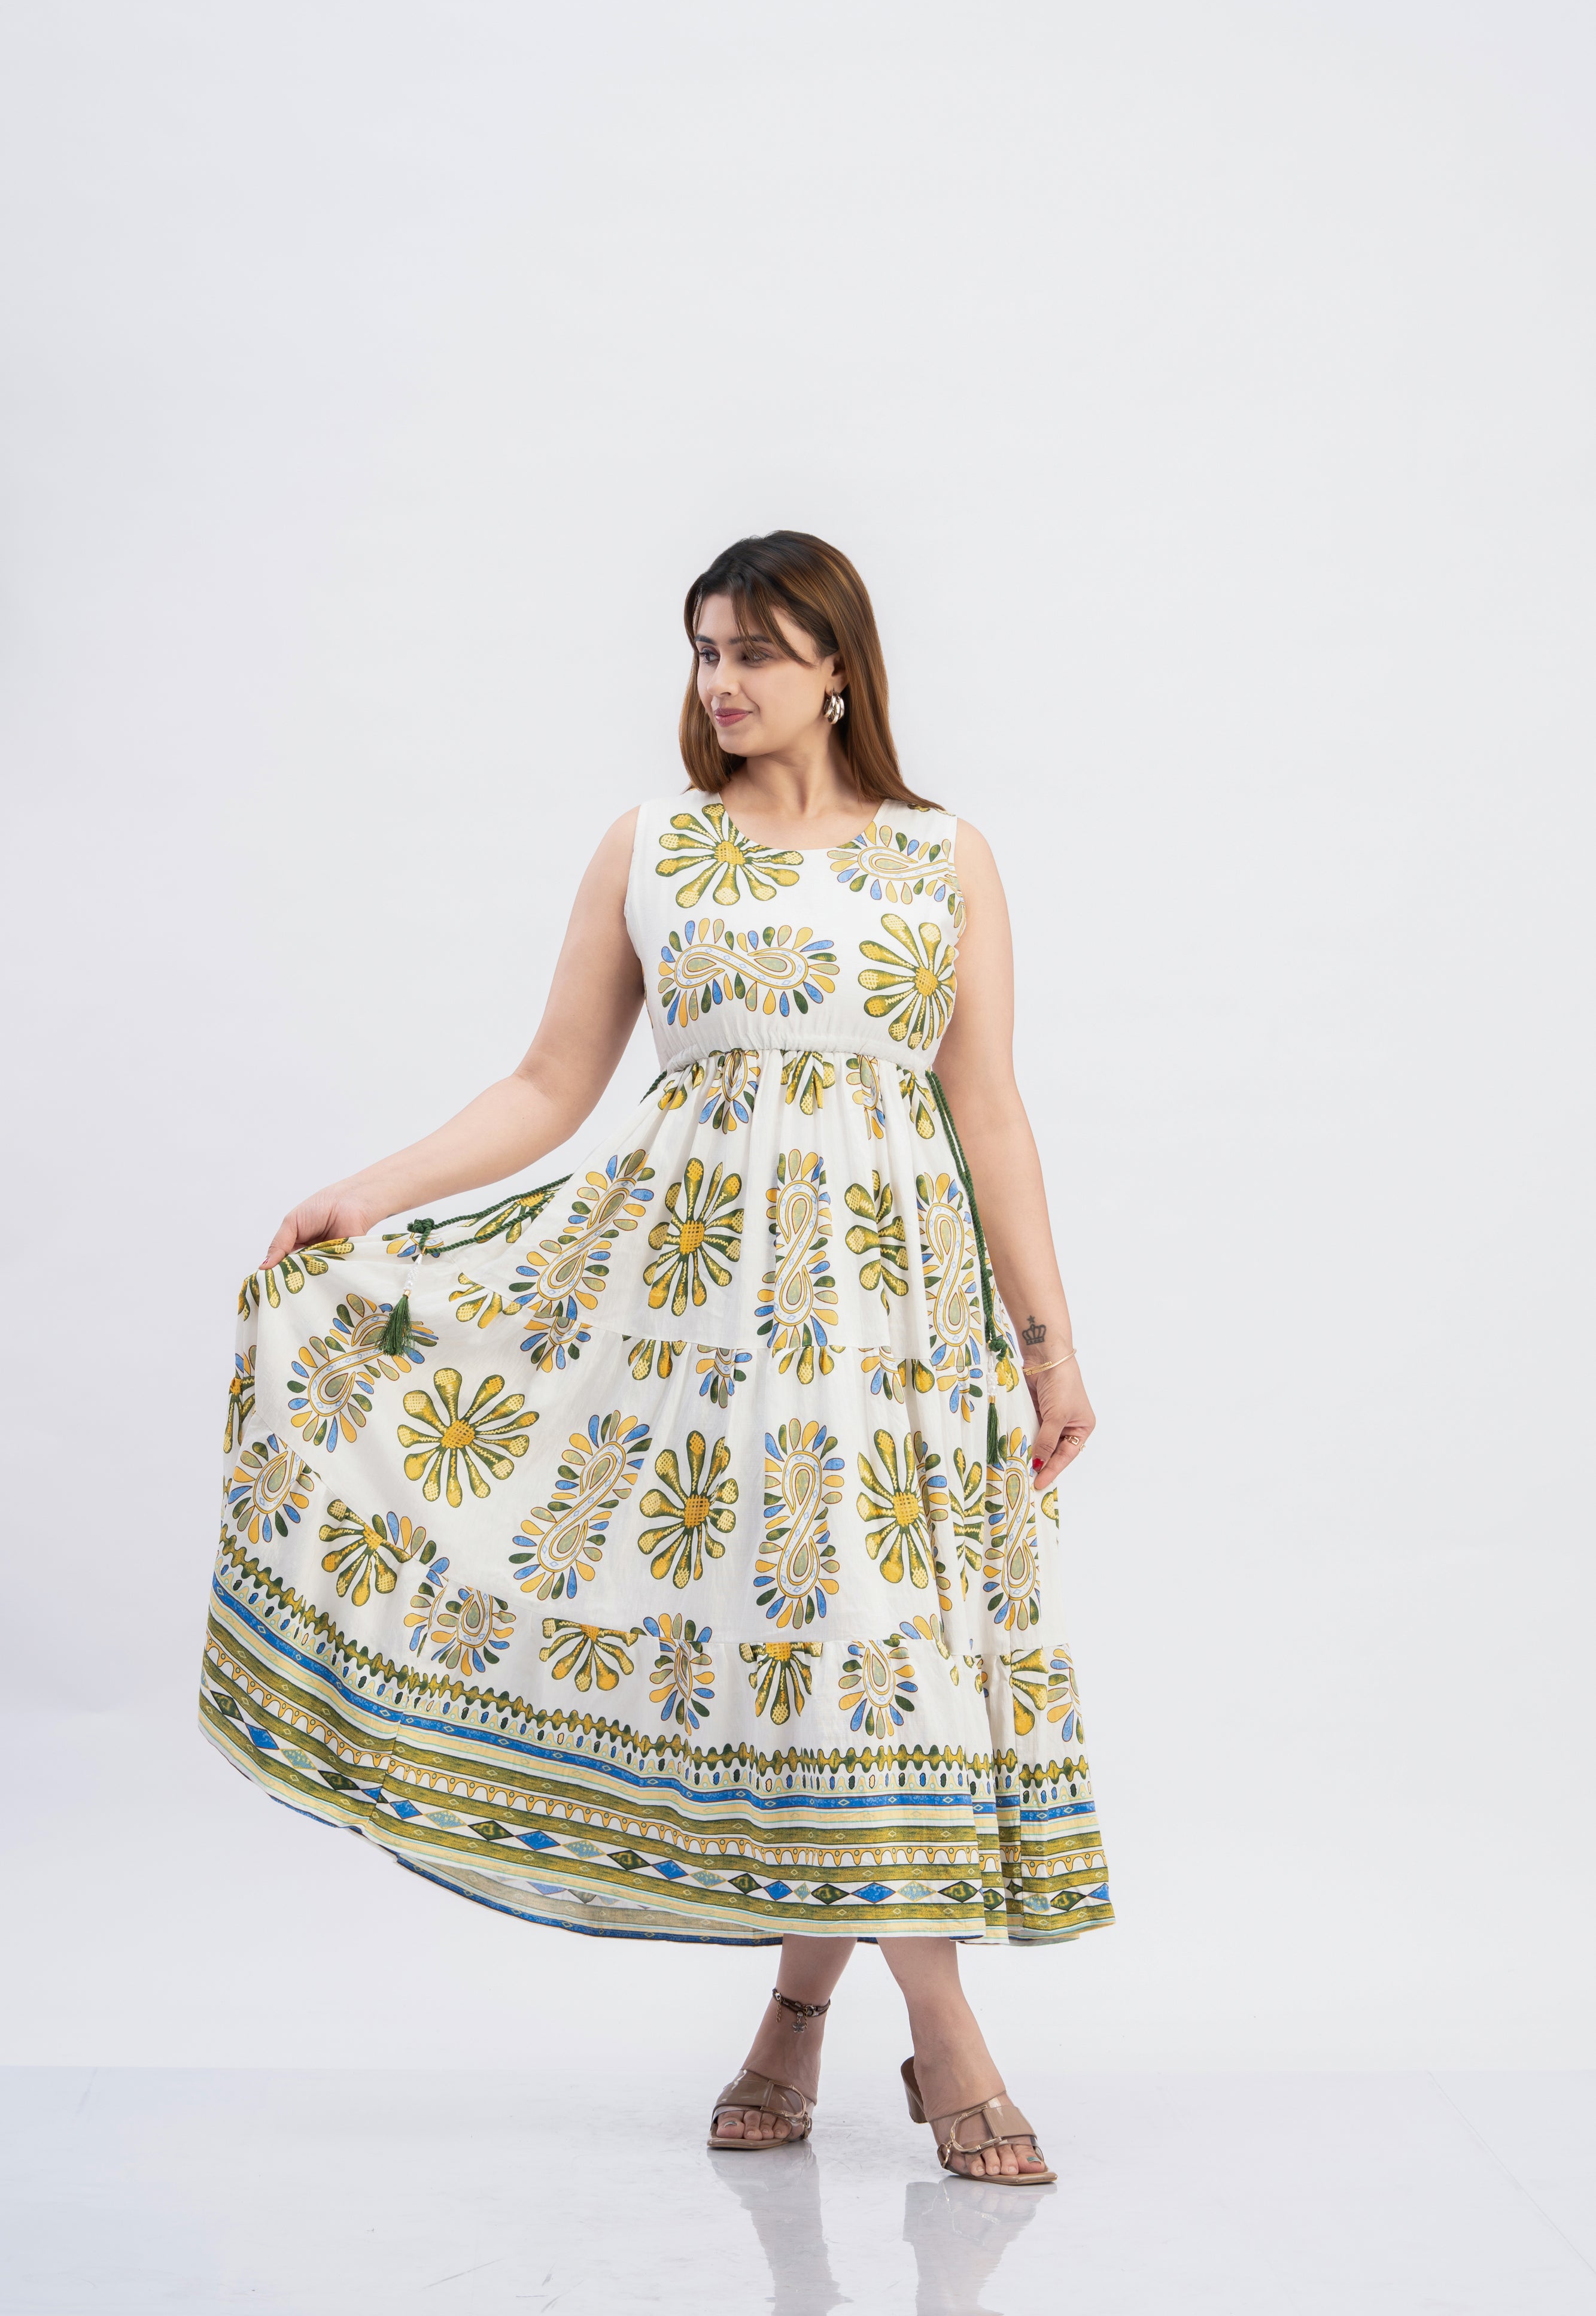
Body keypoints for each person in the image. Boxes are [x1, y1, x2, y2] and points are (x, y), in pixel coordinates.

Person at [203, 530, 1113, 2183]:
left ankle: (797, 2021)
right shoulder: (655, 846)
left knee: (871, 1649)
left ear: (838, 668)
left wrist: (1047, 1350)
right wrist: (371, 1193)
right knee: (822, 1649)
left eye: (758, 650)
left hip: (896, 1326)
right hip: (703, 1322)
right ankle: (948, 2046)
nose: (723, 680)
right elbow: (551, 1083)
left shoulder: (942, 857)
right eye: (705, 649)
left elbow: (987, 1109)